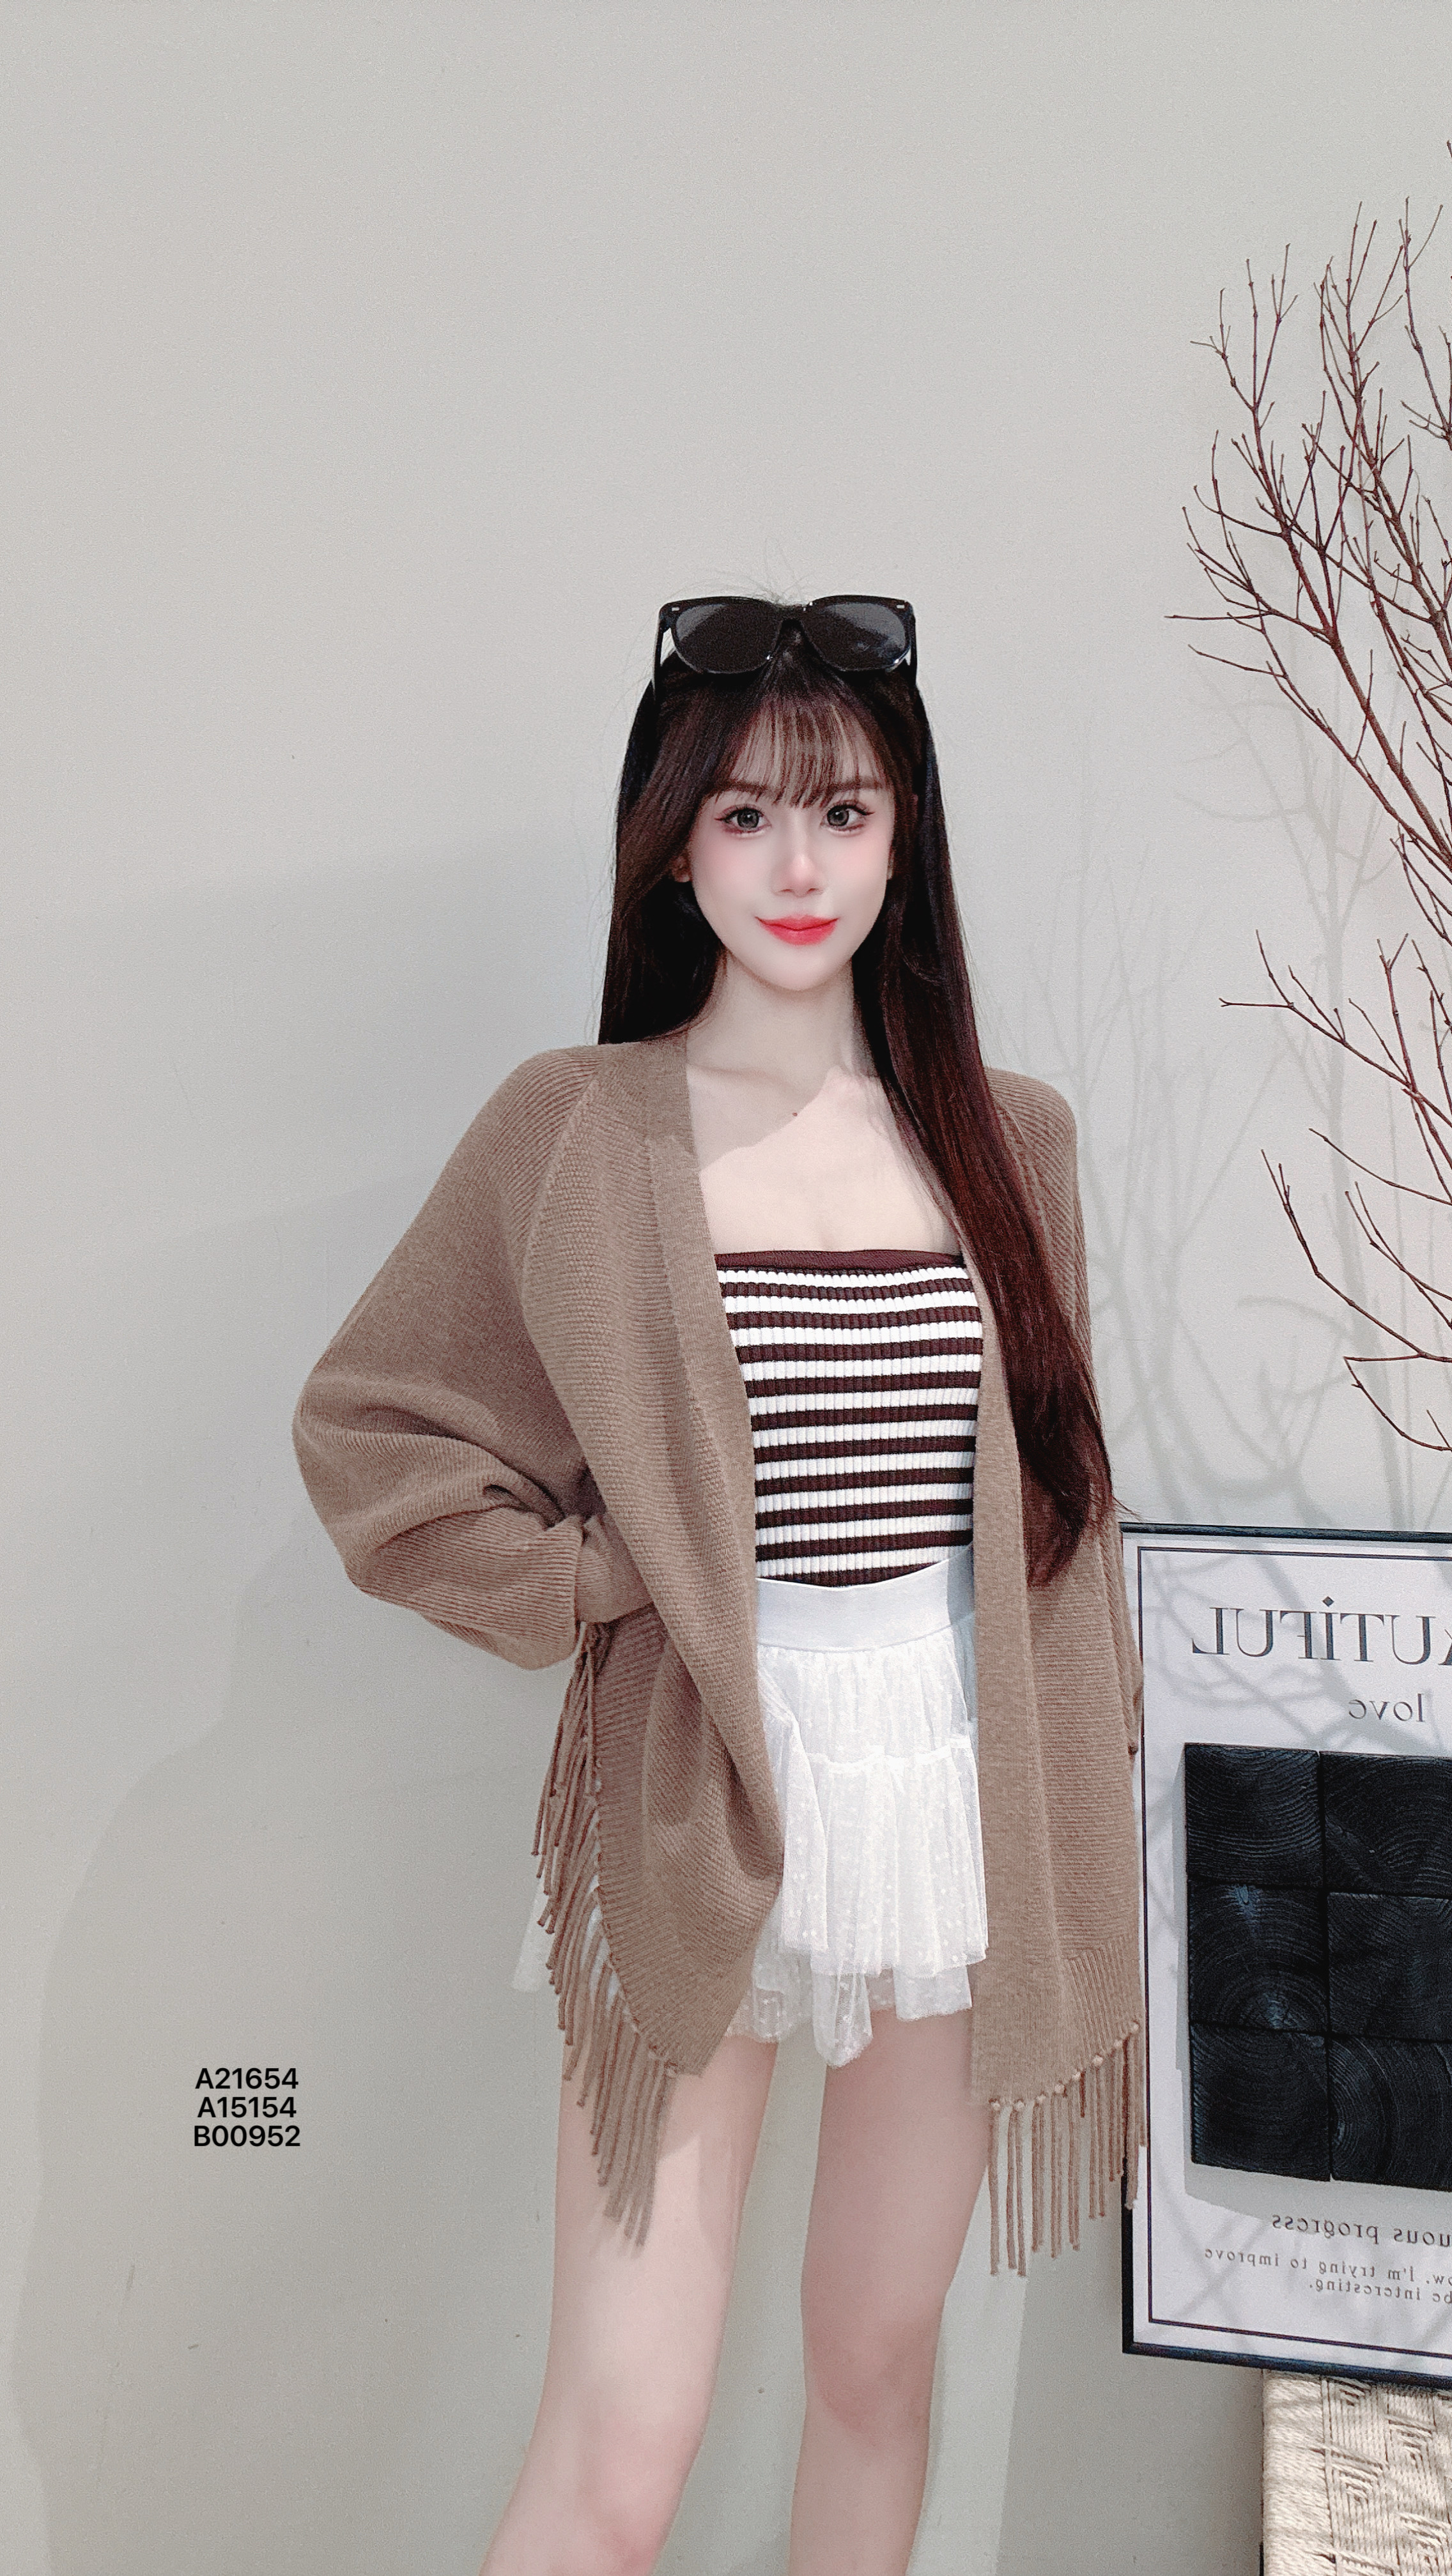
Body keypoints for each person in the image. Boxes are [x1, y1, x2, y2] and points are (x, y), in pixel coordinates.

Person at [293, 594, 1146, 2576]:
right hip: (704, 1788)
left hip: (956, 1787)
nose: (796, 864)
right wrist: (615, 1575)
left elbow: (1055, 1517)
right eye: (745, 814)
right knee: (626, 2433)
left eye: (842, 813)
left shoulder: (1011, 1143)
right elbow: (374, 1434)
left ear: (905, 841)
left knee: (876, 2366)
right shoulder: (579, 1128)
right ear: (673, 846)